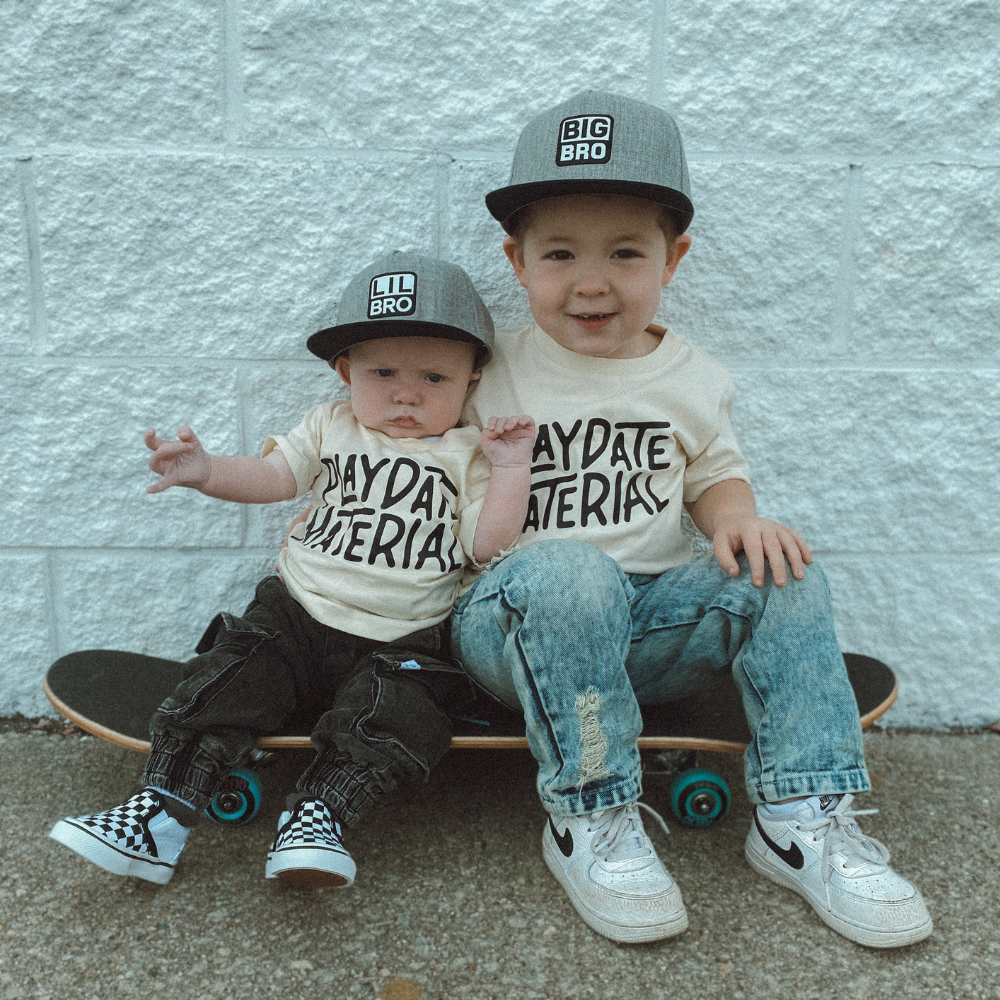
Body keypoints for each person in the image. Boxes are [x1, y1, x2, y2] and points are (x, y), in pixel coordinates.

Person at [449, 91, 932, 948]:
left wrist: (736, 520)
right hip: (521, 622)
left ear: (673, 260)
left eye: (625, 253)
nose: (592, 281)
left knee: (781, 567)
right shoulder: (488, 365)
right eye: (559, 252)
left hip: (649, 626)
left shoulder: (693, 375)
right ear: (516, 262)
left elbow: (714, 471)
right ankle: (589, 817)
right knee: (572, 568)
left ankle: (800, 820)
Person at [50, 252, 534, 890]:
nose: (407, 394)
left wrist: (510, 470)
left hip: (406, 637)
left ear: (472, 380)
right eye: (382, 371)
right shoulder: (332, 427)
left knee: (404, 712)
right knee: (233, 675)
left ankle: (318, 819)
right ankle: (157, 818)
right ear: (344, 371)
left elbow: (483, 545)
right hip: (297, 615)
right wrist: (208, 470)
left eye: (434, 379)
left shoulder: (468, 452)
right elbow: (276, 477)